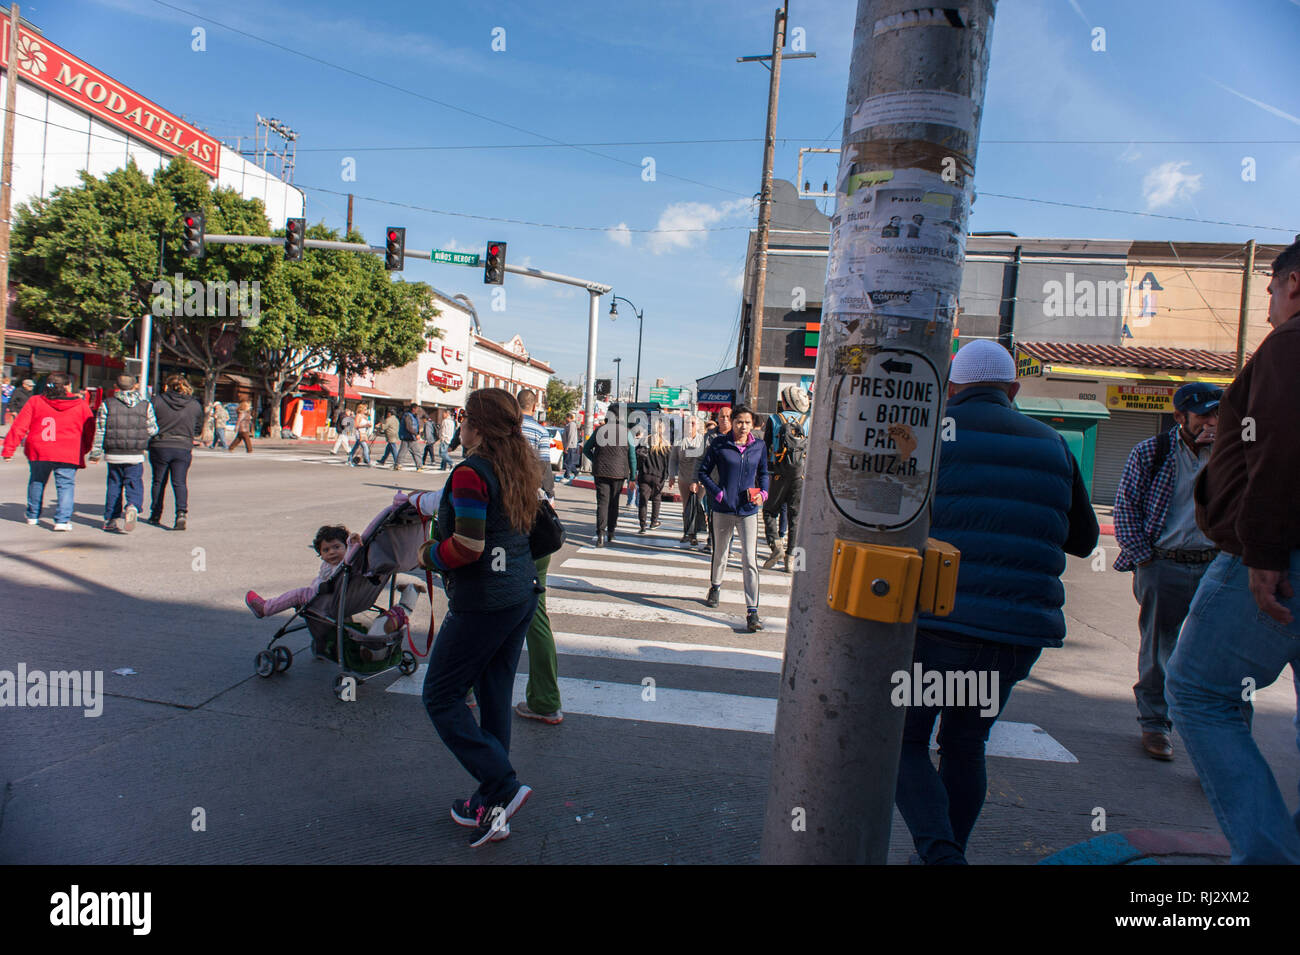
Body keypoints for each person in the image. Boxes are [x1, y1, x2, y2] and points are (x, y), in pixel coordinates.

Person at [893, 340, 1098, 866]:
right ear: (1013, 390)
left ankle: (940, 855)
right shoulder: (1053, 443)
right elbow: (1084, 540)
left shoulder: (926, 439)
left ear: (953, 388)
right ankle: (949, 851)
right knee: (965, 745)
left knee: (906, 741)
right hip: (1017, 635)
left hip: (940, 624)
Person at [1165, 239, 1300, 865]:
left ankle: (1270, 856)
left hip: (1275, 560)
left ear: (1292, 284)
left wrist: (1265, 553)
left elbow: (1280, 447)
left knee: (1196, 692)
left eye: (1269, 290)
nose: (1268, 305)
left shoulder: (1290, 346)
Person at [409, 387, 542, 847]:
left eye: (464, 417)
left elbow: (468, 546)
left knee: (441, 696)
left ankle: (502, 782)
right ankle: (491, 803)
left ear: (476, 425)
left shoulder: (471, 472)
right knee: (493, 694)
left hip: (483, 602)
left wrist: (429, 555)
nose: (459, 424)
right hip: (520, 595)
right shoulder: (521, 466)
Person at [1113, 381, 1222, 761]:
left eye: (1217, 413)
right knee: (1159, 649)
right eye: (1204, 414)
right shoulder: (1152, 451)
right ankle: (1156, 726)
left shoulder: (1231, 454)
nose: (1212, 421)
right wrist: (1145, 558)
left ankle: (1214, 745)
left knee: (1217, 655)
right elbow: (1125, 507)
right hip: (1163, 564)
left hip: (1215, 566)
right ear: (1180, 417)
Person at [244, 525, 421, 619]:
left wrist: (353, 544)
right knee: (309, 588)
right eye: (326, 550)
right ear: (320, 554)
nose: (332, 553)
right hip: (345, 599)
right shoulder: (335, 565)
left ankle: (266, 608)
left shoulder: (348, 564)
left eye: (337, 547)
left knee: (298, 594)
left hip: (328, 601)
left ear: (345, 547)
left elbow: (351, 556)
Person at [697, 404, 768, 632]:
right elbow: (703, 472)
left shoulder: (759, 446)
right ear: (732, 422)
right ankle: (715, 587)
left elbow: (764, 473)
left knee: (749, 559)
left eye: (747, 422)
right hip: (723, 509)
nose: (743, 426)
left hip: (748, 510)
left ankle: (752, 611)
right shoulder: (719, 443)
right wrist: (718, 493)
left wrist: (763, 494)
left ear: (752, 424)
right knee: (721, 553)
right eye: (739, 421)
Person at [515, 389, 562, 725]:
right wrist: (549, 496)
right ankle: (545, 699)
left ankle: (466, 689)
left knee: (482, 611)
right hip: (538, 520)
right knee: (536, 613)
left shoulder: (504, 433)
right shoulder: (541, 432)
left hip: (511, 527)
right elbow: (546, 470)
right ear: (535, 406)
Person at [2, 373, 95, 530]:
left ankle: (33, 515)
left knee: (37, 481)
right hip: (68, 450)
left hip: (40, 449)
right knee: (65, 485)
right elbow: (89, 429)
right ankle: (62, 521)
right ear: (67, 386)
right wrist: (85, 448)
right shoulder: (80, 404)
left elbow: (19, 426)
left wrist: (9, 449)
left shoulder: (35, 401)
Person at [88, 374, 158, 533]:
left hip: (113, 453)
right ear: (134, 386)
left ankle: (111, 519)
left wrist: (95, 453)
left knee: (114, 485)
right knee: (134, 482)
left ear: (116, 386)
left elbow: (100, 430)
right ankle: (133, 505)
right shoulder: (145, 405)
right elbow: (153, 429)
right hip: (135, 453)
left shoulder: (107, 404)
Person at [762, 385, 811, 573]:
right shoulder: (807, 420)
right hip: (801, 474)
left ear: (786, 401)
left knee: (769, 511)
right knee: (795, 517)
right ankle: (791, 559)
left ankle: (776, 547)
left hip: (778, 472)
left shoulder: (775, 419)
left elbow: (765, 447)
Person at [147, 375, 204, 531]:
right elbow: (198, 428)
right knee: (179, 482)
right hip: (183, 445)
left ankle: (156, 514)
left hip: (160, 444)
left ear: (167, 386)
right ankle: (181, 513)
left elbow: (149, 422)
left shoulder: (157, 401)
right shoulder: (194, 405)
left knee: (159, 481)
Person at [582, 401, 637, 548]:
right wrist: (633, 477)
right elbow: (632, 456)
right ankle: (611, 532)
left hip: (600, 472)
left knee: (602, 503)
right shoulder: (627, 433)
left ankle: (600, 534)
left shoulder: (599, 431)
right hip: (619, 473)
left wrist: (596, 460)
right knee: (614, 503)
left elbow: (586, 449)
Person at [668, 414, 707, 548]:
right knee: (686, 505)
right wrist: (671, 476)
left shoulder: (703, 440)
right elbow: (673, 460)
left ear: (698, 426)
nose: (689, 426)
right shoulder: (679, 441)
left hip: (700, 480)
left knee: (696, 505)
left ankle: (694, 534)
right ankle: (687, 532)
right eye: (687, 424)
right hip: (684, 478)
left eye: (692, 424)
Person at [701, 406, 732, 555]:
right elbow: (700, 458)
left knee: (730, 515)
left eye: (727, 416)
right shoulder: (709, 436)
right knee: (713, 512)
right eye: (721, 416)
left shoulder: (738, 436)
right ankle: (711, 540)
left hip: (732, 483)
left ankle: (728, 545)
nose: (724, 419)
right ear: (717, 419)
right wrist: (697, 478)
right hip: (712, 482)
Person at [635, 419, 671, 534]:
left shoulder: (646, 440)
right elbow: (668, 463)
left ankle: (642, 525)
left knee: (643, 500)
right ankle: (654, 521)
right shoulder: (666, 444)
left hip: (645, 474)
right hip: (658, 476)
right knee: (656, 498)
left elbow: (638, 453)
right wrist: (666, 476)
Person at [395, 403, 424, 472]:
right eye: (417, 409)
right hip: (408, 437)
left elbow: (415, 425)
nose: (418, 410)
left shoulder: (414, 416)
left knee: (414, 452)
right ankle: (398, 464)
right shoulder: (407, 416)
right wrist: (416, 433)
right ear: (413, 409)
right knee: (406, 452)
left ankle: (419, 466)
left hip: (411, 437)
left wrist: (419, 430)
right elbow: (409, 427)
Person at [561, 411, 580, 482]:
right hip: (568, 445)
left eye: (566, 417)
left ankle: (567, 476)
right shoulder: (568, 424)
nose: (565, 419)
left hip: (570, 446)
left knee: (568, 461)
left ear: (569, 418)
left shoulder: (572, 424)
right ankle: (575, 472)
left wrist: (567, 446)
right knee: (569, 461)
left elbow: (570, 436)